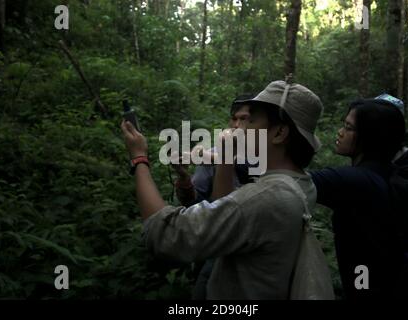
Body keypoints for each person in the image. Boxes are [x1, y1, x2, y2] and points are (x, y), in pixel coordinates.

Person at [121, 79, 324, 299]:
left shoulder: (265, 198)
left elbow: (167, 236)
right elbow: (224, 207)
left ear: (279, 134)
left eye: (251, 121)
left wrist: (139, 158)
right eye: (236, 120)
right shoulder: (303, 184)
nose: (239, 128)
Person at [310, 98, 408, 299]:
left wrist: (254, 141)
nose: (340, 132)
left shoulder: (355, 181)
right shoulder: (393, 177)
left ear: (369, 137)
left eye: (348, 128)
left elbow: (283, 182)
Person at [171, 94, 256, 299]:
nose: (236, 125)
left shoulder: (268, 154)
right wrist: (184, 179)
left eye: (244, 119)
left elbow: (250, 167)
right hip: (216, 250)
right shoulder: (213, 153)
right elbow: (193, 202)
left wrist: (210, 157)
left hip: (255, 251)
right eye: (234, 118)